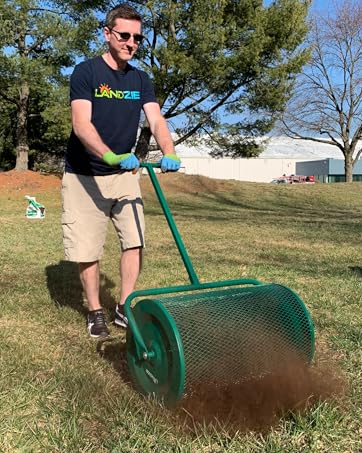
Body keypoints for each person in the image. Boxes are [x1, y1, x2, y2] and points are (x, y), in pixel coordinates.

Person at [62, 3, 180, 338]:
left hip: (125, 175)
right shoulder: (86, 73)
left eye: (138, 38)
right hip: (85, 175)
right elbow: (81, 124)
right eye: (124, 35)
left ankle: (124, 306)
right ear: (108, 33)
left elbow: (155, 119)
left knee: (135, 241)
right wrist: (111, 155)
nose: (131, 43)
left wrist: (169, 151)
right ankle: (95, 310)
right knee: (87, 247)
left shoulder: (141, 79)